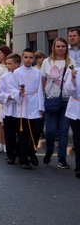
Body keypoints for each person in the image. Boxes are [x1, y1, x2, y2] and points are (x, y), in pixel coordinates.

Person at [41, 37, 75, 168]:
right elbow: (42, 81)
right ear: (53, 47)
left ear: (66, 48)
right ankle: (49, 151)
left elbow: (75, 80)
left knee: (64, 131)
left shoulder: (71, 61)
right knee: (49, 131)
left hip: (66, 101)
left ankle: (62, 158)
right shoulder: (47, 62)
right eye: (58, 46)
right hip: (51, 99)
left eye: (63, 46)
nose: (60, 49)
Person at [13, 49, 43, 167]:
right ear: (22, 58)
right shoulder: (17, 72)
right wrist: (18, 93)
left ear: (33, 59)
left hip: (34, 103)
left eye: (31, 57)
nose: (28, 60)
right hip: (22, 103)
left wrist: (41, 107)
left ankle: (32, 152)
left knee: (36, 131)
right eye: (26, 57)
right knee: (23, 133)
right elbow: (13, 88)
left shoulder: (37, 72)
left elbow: (40, 89)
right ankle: (23, 158)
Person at [0, 53, 25, 167]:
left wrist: (18, 94)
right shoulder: (4, 77)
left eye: (9, 63)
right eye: (6, 63)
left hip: (22, 109)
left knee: (21, 134)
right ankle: (11, 155)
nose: (7, 66)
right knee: (10, 134)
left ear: (17, 64)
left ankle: (23, 155)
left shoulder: (23, 76)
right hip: (9, 109)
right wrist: (9, 96)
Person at [65, 63, 80, 178]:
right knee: (78, 139)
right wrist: (73, 78)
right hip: (76, 111)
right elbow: (68, 92)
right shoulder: (75, 71)